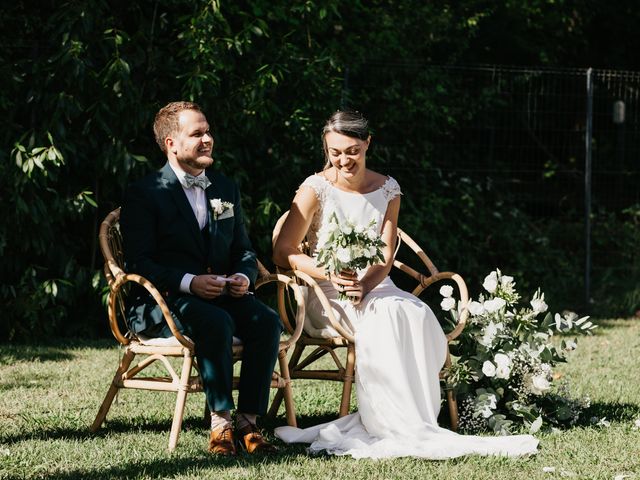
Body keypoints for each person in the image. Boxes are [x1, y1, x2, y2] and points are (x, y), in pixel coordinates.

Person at [272, 110, 539, 459]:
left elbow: (383, 257)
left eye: (351, 150)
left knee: (415, 312)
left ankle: (410, 421)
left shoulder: (387, 190)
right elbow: (283, 251)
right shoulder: (316, 188)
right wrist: (328, 272)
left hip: (375, 288)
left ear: (368, 143)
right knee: (388, 315)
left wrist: (366, 284)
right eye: (334, 152)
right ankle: (393, 423)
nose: (343, 160)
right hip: (327, 295)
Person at [120, 101, 282, 456]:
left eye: (208, 131)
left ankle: (249, 424)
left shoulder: (225, 188)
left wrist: (242, 275)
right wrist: (189, 282)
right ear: (171, 143)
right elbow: (139, 262)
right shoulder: (145, 193)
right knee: (215, 321)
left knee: (266, 322)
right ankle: (221, 423)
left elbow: (243, 249)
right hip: (161, 300)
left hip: (221, 293)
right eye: (197, 134)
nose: (208, 139)